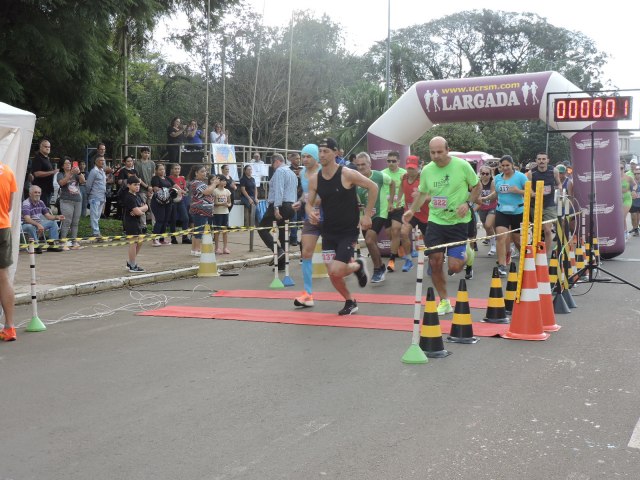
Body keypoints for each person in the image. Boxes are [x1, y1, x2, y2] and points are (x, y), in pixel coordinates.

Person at [402, 136, 481, 315]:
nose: (436, 156)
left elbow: (476, 187)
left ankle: (467, 254)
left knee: (454, 267)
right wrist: (412, 211)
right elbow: (422, 193)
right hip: (436, 221)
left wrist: (468, 204)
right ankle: (444, 301)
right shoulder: (428, 171)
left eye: (439, 152)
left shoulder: (462, 166)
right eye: (432, 152)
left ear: (447, 150)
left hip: (458, 222)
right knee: (435, 262)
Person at [306, 138, 377, 316]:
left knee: (337, 269)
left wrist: (367, 215)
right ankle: (350, 301)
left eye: (326, 151)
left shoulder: (346, 174)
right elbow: (309, 203)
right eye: (320, 151)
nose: (322, 155)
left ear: (336, 153)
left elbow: (373, 187)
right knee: (333, 273)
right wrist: (310, 212)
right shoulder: (315, 179)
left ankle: (358, 266)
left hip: (347, 232)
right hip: (328, 231)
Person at [354, 151, 393, 283]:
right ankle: (381, 266)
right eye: (358, 165)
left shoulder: (379, 176)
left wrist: (391, 202)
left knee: (370, 240)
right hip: (365, 215)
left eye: (363, 164)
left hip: (380, 213)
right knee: (371, 243)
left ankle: (377, 270)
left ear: (370, 164)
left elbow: (392, 183)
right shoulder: (355, 179)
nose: (360, 167)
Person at [257, 153, 298, 271]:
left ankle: (278, 250)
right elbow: (294, 190)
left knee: (262, 228)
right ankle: (282, 263)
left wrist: (276, 207)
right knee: (283, 232)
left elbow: (279, 189)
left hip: (281, 204)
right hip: (291, 205)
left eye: (272, 164)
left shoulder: (280, 171)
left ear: (277, 162)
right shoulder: (292, 173)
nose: (272, 167)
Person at [293, 144, 321, 308]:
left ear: (316, 157)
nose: (305, 159)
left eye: (308, 156)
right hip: (311, 216)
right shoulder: (303, 173)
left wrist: (316, 201)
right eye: (303, 156)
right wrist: (300, 202)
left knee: (335, 263)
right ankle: (308, 294)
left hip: (330, 216)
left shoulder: (323, 172)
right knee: (306, 252)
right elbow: (306, 195)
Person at [493, 155, 528, 276]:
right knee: (501, 237)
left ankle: (526, 261)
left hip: (517, 212)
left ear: (512, 165)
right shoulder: (497, 178)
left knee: (517, 240)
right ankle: (502, 265)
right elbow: (495, 193)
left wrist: (518, 191)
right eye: (502, 166)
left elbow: (532, 193)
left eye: (507, 165)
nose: (505, 168)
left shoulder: (521, 177)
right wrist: (484, 199)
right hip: (501, 211)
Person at [398, 155, 429, 272]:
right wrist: (397, 200)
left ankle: (431, 261)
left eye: (413, 168)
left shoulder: (423, 180)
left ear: (418, 167)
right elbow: (401, 189)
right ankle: (409, 260)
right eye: (408, 168)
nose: (410, 170)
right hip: (410, 213)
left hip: (424, 214)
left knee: (428, 241)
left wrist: (422, 197)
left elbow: (432, 196)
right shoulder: (404, 178)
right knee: (403, 233)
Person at [526, 152, 561, 255]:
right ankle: (535, 250)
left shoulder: (554, 171)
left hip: (549, 205)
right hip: (535, 205)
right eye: (539, 159)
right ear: (536, 161)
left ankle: (545, 254)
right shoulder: (531, 173)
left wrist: (559, 189)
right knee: (536, 230)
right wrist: (534, 194)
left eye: (543, 159)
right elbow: (528, 189)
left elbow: (558, 183)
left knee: (547, 230)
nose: (541, 161)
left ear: (547, 160)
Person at [381, 151, 408, 272]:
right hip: (386, 207)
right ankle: (399, 245)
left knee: (396, 229)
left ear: (398, 162)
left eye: (393, 161)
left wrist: (399, 203)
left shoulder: (404, 174)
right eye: (388, 161)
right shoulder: (382, 174)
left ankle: (392, 260)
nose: (391, 163)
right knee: (390, 233)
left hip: (399, 206)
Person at [0, 162, 18, 341]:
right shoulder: (7, 171)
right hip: (3, 227)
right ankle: (10, 327)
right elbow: (9, 207)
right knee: (3, 277)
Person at [22, 185, 65, 252]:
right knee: (30, 227)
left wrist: (57, 217)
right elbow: (27, 219)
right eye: (35, 192)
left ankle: (52, 245)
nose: (37, 194)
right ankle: (35, 246)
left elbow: (48, 216)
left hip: (38, 223)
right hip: (26, 224)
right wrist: (38, 225)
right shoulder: (26, 203)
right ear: (30, 194)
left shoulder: (41, 202)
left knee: (53, 223)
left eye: (39, 192)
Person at [188, 166, 219, 256]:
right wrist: (214, 184)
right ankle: (197, 249)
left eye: (205, 171)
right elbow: (207, 192)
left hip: (201, 210)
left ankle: (194, 249)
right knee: (199, 231)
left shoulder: (199, 183)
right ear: (196, 173)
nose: (204, 173)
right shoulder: (197, 183)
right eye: (202, 171)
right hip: (200, 210)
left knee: (197, 230)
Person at [56, 157, 84, 250]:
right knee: (66, 221)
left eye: (69, 163)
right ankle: (63, 242)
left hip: (77, 200)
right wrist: (70, 174)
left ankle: (74, 242)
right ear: (62, 166)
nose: (68, 164)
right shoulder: (60, 174)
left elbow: (83, 181)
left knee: (75, 222)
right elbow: (62, 183)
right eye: (66, 163)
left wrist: (79, 173)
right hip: (66, 200)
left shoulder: (76, 174)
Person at [121, 176, 148, 273]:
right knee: (133, 243)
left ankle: (131, 261)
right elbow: (137, 212)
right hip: (130, 222)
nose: (137, 187)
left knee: (140, 242)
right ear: (129, 185)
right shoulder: (129, 197)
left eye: (138, 185)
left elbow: (146, 206)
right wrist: (140, 210)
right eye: (135, 185)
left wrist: (140, 210)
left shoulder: (138, 196)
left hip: (138, 221)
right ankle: (132, 265)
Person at [150, 163, 175, 246]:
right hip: (158, 202)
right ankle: (155, 239)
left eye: (163, 169)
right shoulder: (155, 178)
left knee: (165, 220)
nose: (162, 171)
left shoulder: (167, 178)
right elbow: (156, 189)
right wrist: (167, 190)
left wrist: (181, 191)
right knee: (160, 220)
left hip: (168, 202)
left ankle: (162, 239)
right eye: (160, 169)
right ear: (156, 171)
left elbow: (175, 186)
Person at [475, 165, 497, 257]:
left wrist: (483, 198)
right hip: (481, 208)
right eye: (482, 173)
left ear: (490, 174)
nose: (484, 175)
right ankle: (494, 238)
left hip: (492, 206)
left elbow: (492, 196)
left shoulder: (492, 182)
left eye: (487, 173)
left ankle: (493, 245)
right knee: (486, 227)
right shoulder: (477, 182)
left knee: (488, 225)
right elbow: (475, 195)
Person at [31, 138, 58, 208]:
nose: (47, 148)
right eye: (45, 147)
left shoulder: (47, 158)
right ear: (41, 147)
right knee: (41, 211)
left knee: (45, 210)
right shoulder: (38, 158)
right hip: (40, 191)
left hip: (48, 189)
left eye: (49, 147)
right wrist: (52, 172)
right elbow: (36, 173)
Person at [85, 154, 107, 239]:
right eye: (101, 160)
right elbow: (88, 184)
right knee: (94, 215)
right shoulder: (93, 171)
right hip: (94, 196)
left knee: (97, 215)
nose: (103, 162)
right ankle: (96, 232)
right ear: (96, 162)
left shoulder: (102, 171)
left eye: (104, 160)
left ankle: (95, 231)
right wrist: (88, 195)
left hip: (102, 197)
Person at [168, 163, 191, 244]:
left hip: (181, 200)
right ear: (171, 170)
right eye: (175, 169)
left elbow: (185, 188)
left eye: (178, 169)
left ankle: (185, 237)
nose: (177, 170)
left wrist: (186, 190)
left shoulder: (182, 178)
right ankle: (173, 238)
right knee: (173, 220)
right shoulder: (169, 178)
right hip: (172, 201)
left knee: (186, 218)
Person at [212, 174, 232, 254]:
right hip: (217, 213)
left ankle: (225, 247)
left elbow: (230, 202)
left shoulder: (227, 191)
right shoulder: (214, 191)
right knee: (217, 231)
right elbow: (213, 203)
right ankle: (217, 248)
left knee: (225, 230)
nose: (225, 182)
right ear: (219, 181)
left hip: (225, 212)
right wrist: (221, 204)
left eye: (225, 180)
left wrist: (228, 205)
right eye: (223, 180)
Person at [135, 146, 154, 227]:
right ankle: (143, 226)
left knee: (153, 208)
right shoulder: (137, 163)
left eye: (148, 153)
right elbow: (137, 178)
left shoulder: (152, 163)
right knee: (142, 207)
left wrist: (151, 188)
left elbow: (153, 176)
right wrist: (147, 187)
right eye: (145, 152)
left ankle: (155, 226)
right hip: (141, 190)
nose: (147, 154)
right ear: (141, 153)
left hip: (151, 190)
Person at [287, 152, 302, 246]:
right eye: (296, 158)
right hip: (293, 197)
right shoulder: (288, 170)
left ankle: (294, 237)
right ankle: (293, 238)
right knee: (293, 218)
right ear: (291, 160)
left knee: (299, 219)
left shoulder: (302, 170)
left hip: (302, 197)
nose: (298, 160)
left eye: (299, 158)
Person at [620, 161, 637, 241]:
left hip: (627, 199)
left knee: (622, 216)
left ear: (624, 168)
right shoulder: (614, 177)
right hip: (618, 200)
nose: (620, 170)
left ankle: (624, 233)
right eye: (618, 168)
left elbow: (635, 184)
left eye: (622, 168)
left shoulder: (628, 177)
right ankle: (625, 232)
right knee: (620, 217)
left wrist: (633, 190)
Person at [630, 166, 640, 236]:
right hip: (633, 202)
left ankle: (636, 228)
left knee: (638, 216)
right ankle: (635, 228)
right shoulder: (631, 182)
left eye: (638, 173)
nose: (637, 175)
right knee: (633, 216)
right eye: (635, 174)